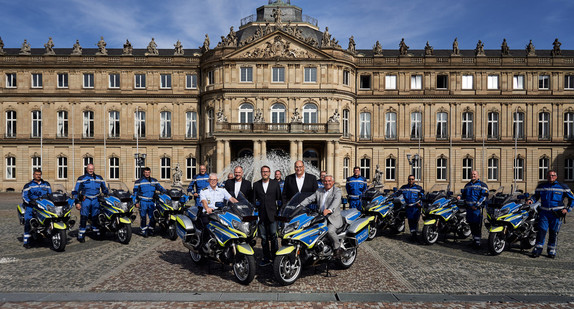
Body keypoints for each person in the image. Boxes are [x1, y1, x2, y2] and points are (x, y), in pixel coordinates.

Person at [528, 170, 574, 258]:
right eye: (549, 176)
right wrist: (531, 200)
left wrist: (567, 209)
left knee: (554, 232)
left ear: (556, 177)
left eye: (553, 176)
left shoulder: (562, 186)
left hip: (556, 214)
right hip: (544, 213)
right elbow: (535, 196)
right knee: (541, 231)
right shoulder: (542, 186)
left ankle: (551, 250)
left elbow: (572, 199)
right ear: (546, 176)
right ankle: (537, 249)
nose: (551, 177)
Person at [298, 175, 343, 257]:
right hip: (321, 217)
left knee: (330, 231)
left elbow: (336, 201)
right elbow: (309, 199)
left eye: (329, 181)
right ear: (323, 182)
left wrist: (329, 209)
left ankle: (337, 248)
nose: (327, 183)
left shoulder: (337, 191)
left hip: (333, 217)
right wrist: (300, 205)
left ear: (332, 182)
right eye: (325, 181)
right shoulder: (319, 191)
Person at [252, 165, 282, 266]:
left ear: (269, 173)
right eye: (263, 171)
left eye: (267, 171)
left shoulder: (275, 183)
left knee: (274, 236)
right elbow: (253, 200)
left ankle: (275, 257)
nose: (265, 173)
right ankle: (266, 257)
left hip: (273, 214)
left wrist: (279, 212)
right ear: (261, 173)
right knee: (263, 238)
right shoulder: (256, 185)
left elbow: (279, 198)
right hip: (261, 215)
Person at [199, 173, 238, 248]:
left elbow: (231, 198)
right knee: (206, 227)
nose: (213, 181)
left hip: (220, 214)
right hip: (208, 214)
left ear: (217, 180)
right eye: (211, 180)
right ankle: (203, 246)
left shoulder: (222, 190)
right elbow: (204, 202)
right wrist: (207, 209)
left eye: (215, 180)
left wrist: (239, 204)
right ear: (208, 180)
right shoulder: (204, 191)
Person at [73, 164, 109, 243]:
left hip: (96, 199)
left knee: (95, 216)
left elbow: (104, 189)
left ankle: (95, 231)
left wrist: (106, 194)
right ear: (86, 169)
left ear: (94, 169)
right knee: (84, 216)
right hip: (86, 199)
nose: (91, 170)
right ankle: (81, 234)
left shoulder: (99, 178)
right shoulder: (81, 178)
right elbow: (76, 191)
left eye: (92, 169)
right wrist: (77, 202)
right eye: (89, 169)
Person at [457, 170, 488, 249]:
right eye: (472, 174)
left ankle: (478, 243)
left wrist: (477, 205)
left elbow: (484, 197)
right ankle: (474, 241)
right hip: (469, 209)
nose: (473, 176)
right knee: (471, 225)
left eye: (474, 174)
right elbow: (464, 195)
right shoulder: (467, 185)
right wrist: (460, 196)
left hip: (477, 209)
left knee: (477, 226)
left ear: (478, 176)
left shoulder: (482, 185)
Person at [21, 169, 52, 248]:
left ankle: (49, 234)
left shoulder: (46, 184)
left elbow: (50, 195)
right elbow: (24, 196)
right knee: (28, 221)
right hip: (32, 206)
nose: (38, 176)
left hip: (43, 206)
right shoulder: (28, 185)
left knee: (51, 218)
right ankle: (26, 242)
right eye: (36, 174)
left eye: (39, 174)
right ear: (33, 175)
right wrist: (30, 202)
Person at [133, 167, 166, 237]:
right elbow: (135, 193)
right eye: (145, 172)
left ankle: (151, 229)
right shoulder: (138, 182)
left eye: (148, 172)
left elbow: (161, 188)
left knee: (153, 217)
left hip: (151, 202)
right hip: (143, 202)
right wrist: (136, 202)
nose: (147, 174)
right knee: (143, 217)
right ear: (143, 173)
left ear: (150, 172)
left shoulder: (154, 181)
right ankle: (143, 230)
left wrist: (166, 193)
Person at [396, 175, 424, 241]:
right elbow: (397, 194)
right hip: (408, 206)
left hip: (416, 207)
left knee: (415, 220)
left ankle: (415, 234)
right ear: (407, 180)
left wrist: (421, 204)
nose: (411, 180)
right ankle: (412, 234)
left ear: (414, 180)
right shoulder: (404, 187)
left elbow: (423, 197)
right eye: (409, 179)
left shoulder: (418, 188)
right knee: (410, 221)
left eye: (412, 179)